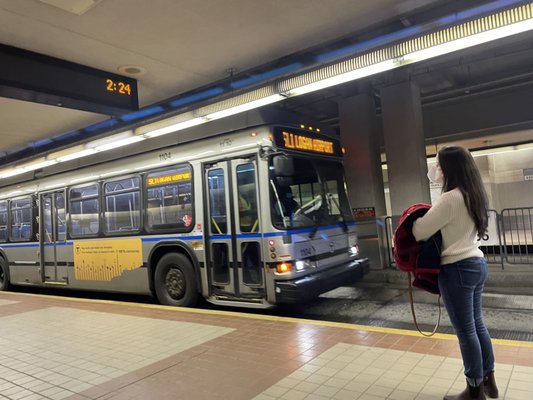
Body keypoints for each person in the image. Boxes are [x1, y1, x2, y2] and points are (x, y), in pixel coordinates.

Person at [412, 146, 498, 400]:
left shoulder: (450, 198)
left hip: (457, 268)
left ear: (449, 168)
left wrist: (413, 217)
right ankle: (488, 382)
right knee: (477, 325)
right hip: (476, 263)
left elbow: (420, 231)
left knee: (466, 331)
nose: (435, 170)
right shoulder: (474, 194)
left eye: (438, 165)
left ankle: (474, 392)